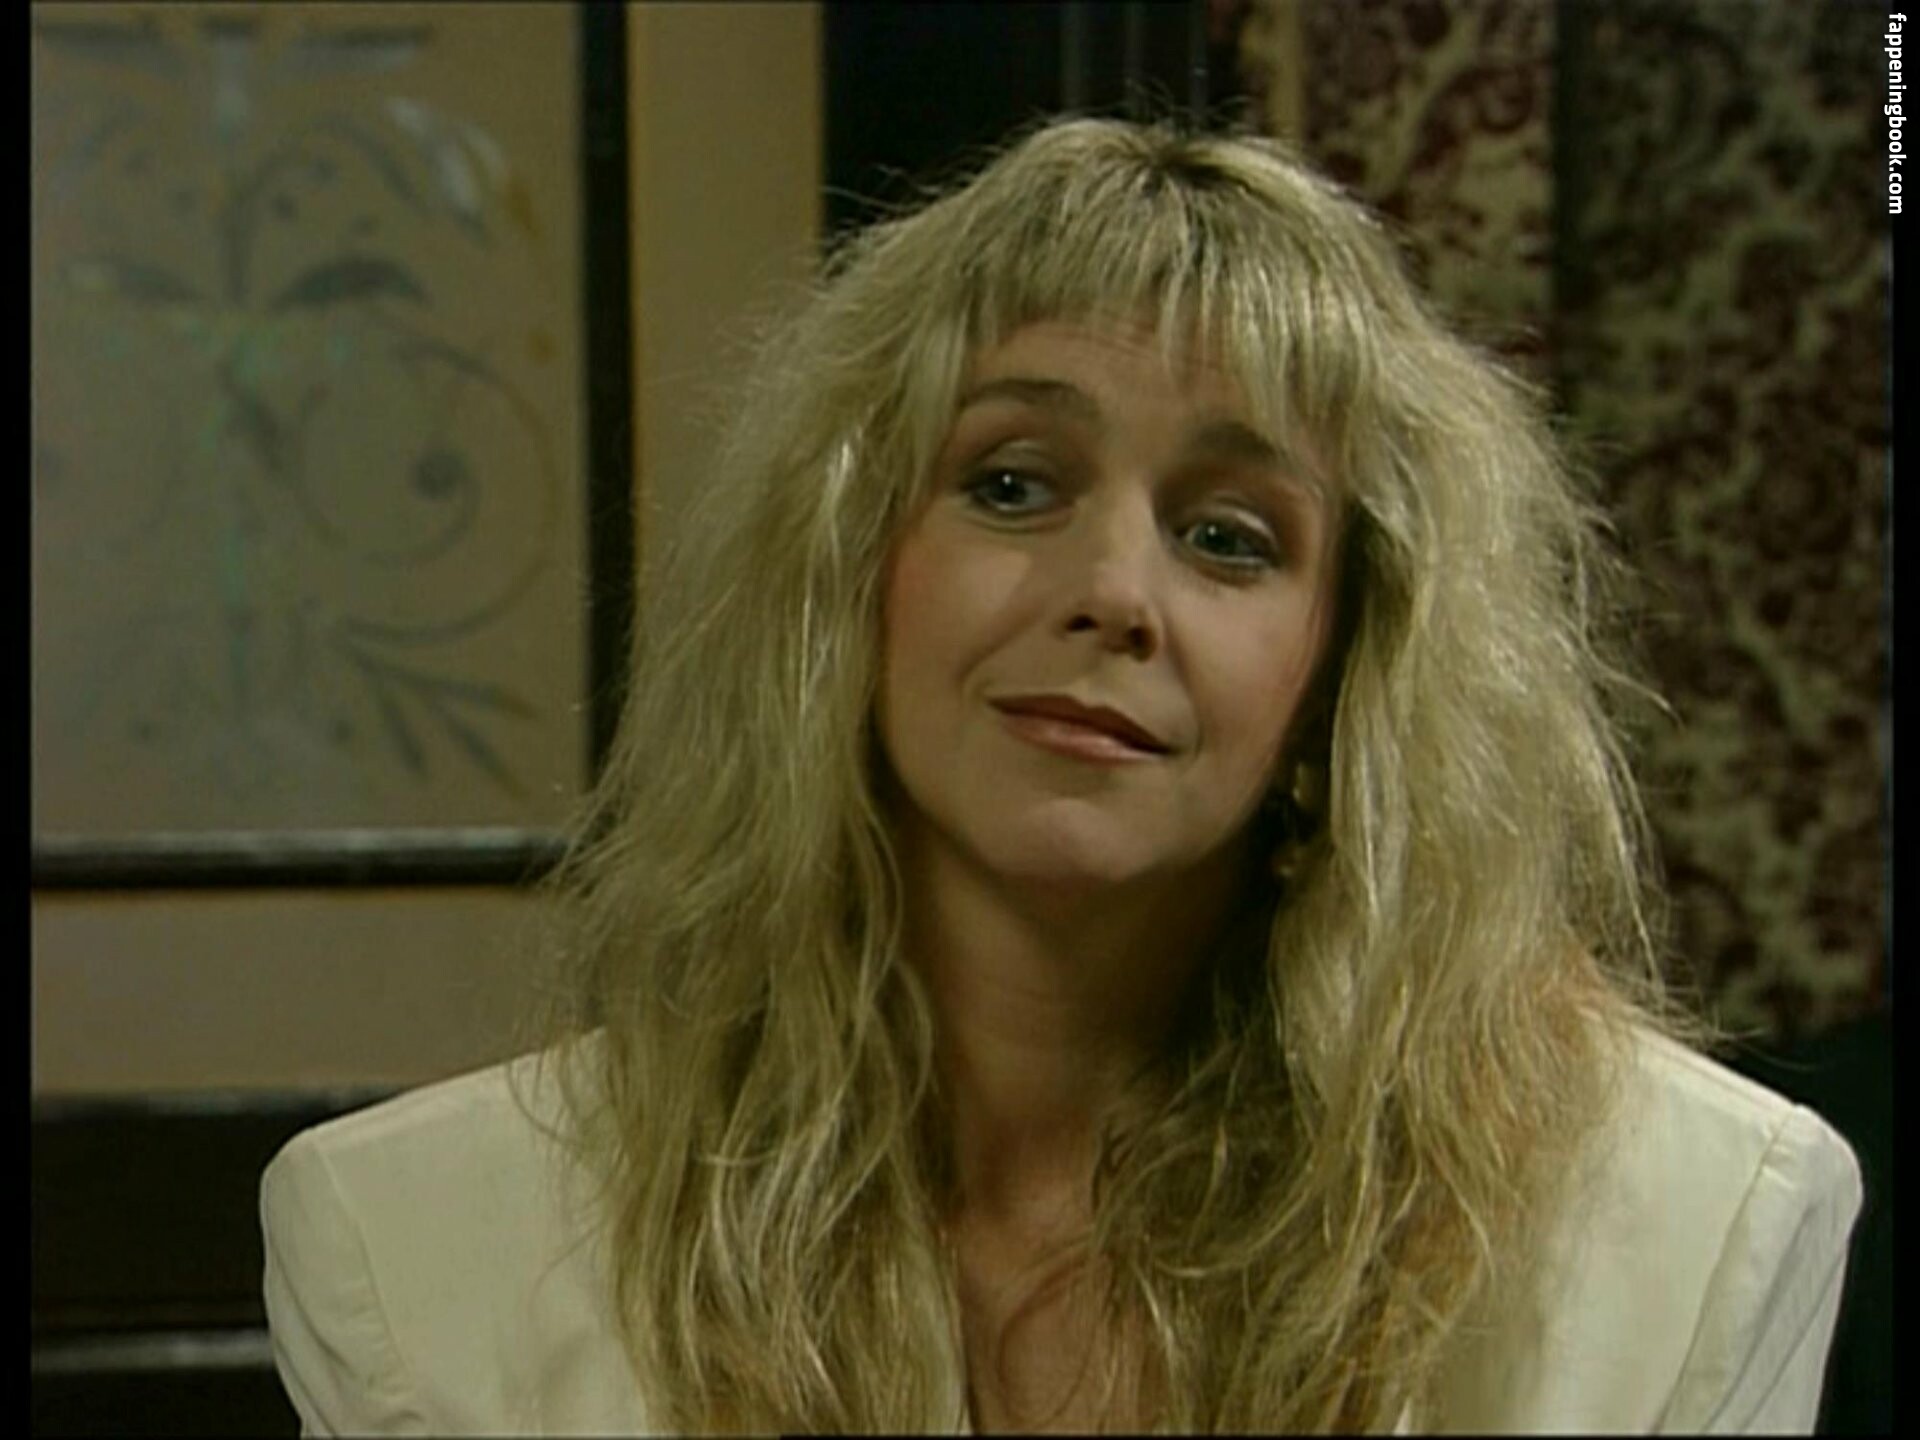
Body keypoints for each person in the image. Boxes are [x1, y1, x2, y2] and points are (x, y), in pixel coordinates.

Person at [259, 117, 1862, 1434]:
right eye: (1014, 485)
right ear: (850, 581)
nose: (1112, 592)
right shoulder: (428, 1254)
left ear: (1342, 681)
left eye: (1228, 537)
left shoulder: (1683, 1232)